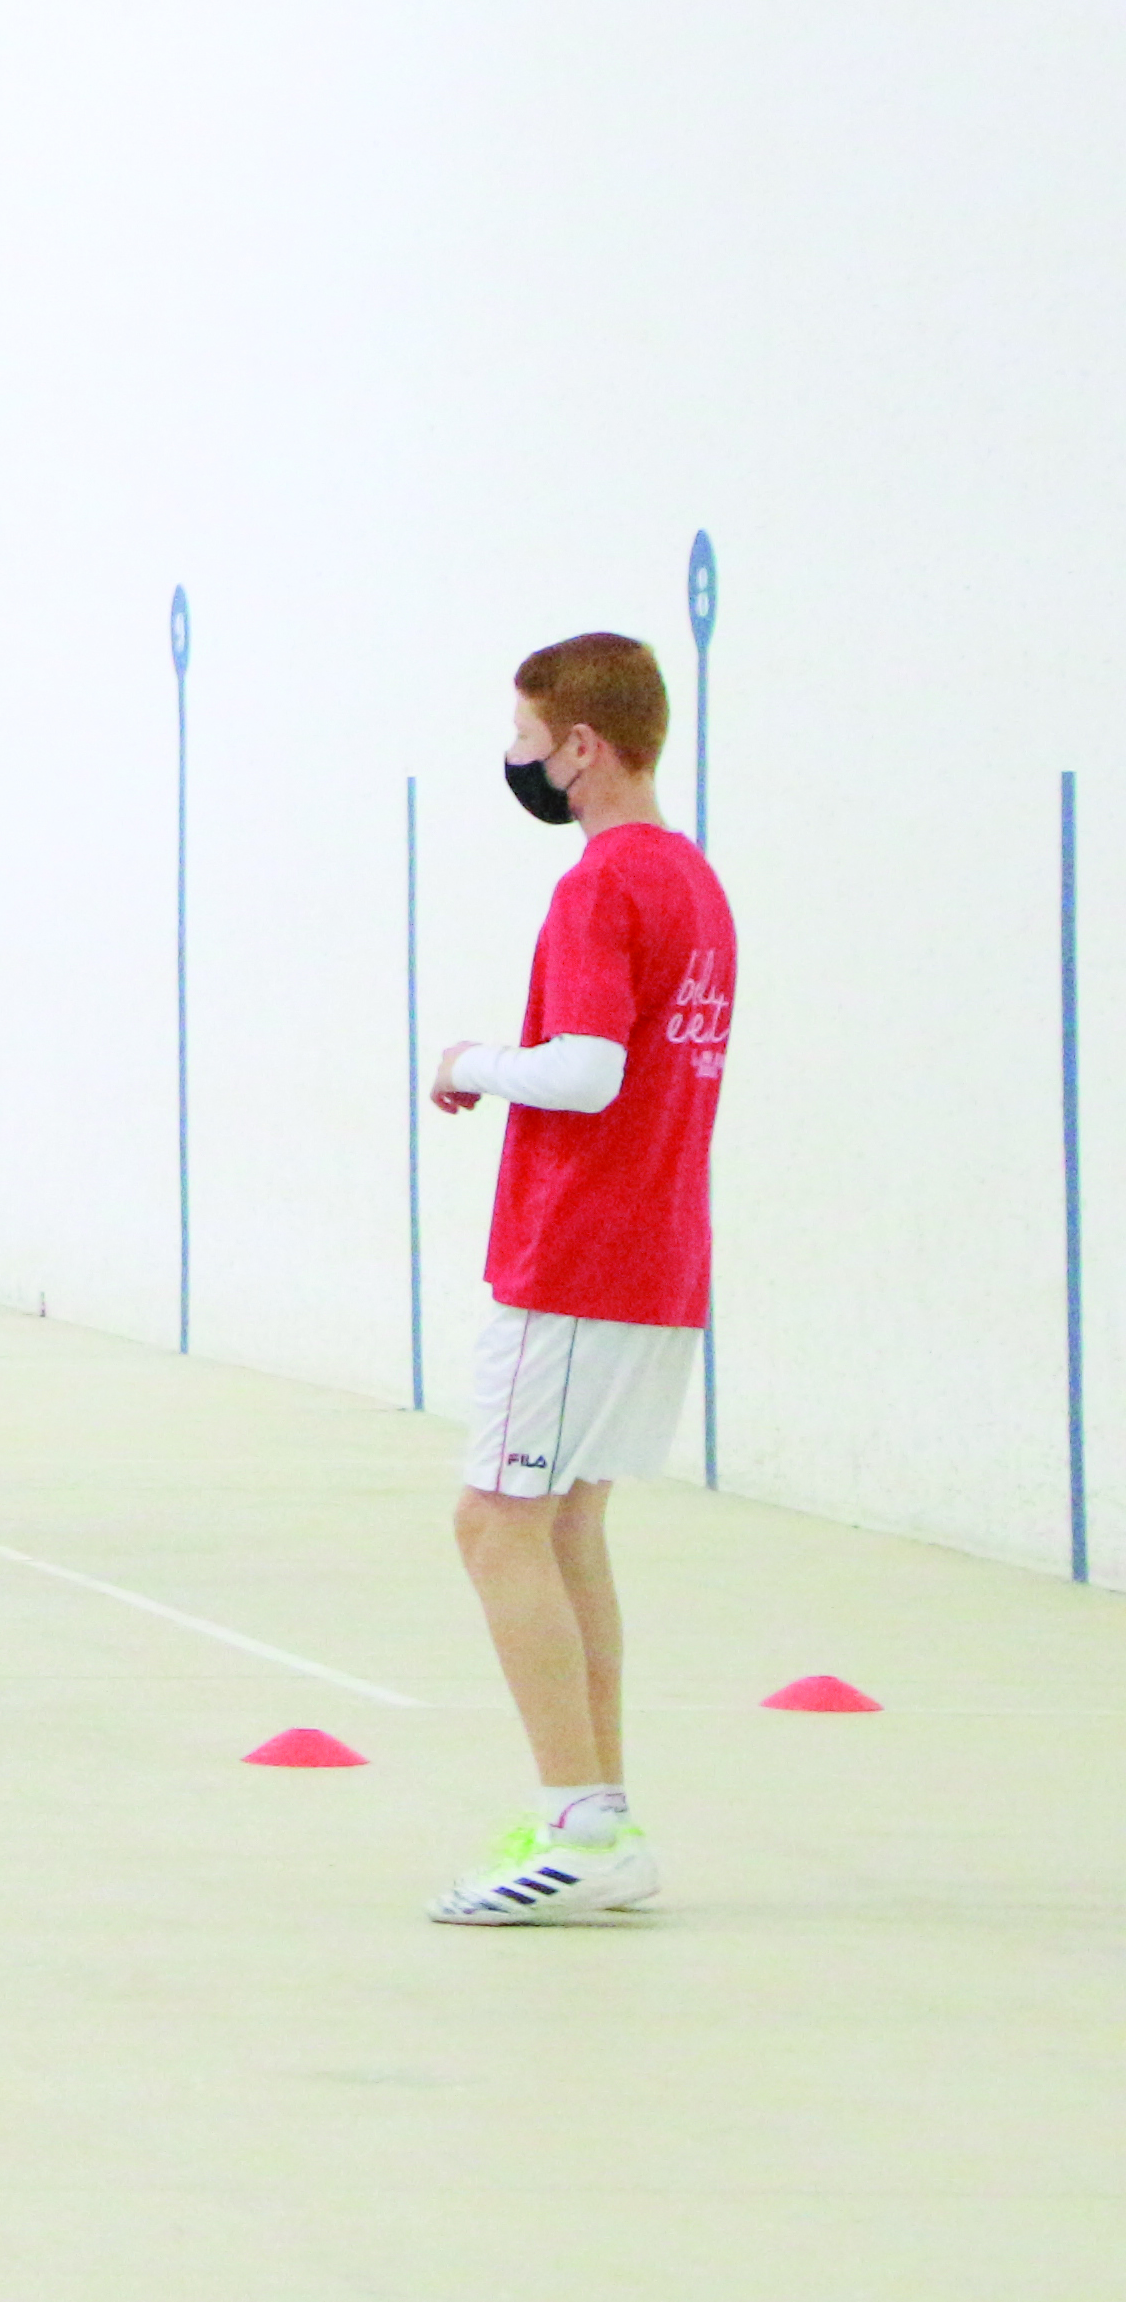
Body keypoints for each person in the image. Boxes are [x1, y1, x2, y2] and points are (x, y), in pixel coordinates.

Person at [420, 631, 733, 1924]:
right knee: (567, 1528)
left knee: (496, 1523)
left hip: (577, 1258)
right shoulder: (694, 881)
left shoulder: (602, 887)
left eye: (523, 737)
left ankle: (582, 1826)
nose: (516, 759)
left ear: (581, 747)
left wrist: (471, 1057)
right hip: (656, 1260)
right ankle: (601, 1812)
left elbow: (589, 1070)